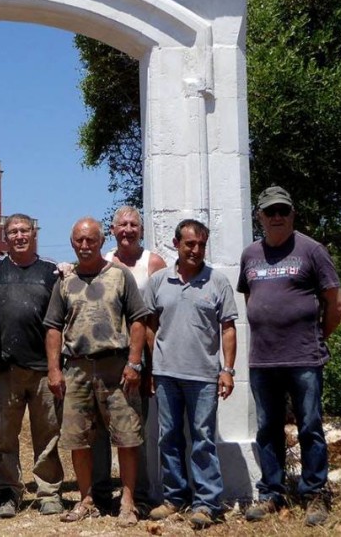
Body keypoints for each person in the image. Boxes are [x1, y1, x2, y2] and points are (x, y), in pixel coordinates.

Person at [238, 186, 341, 527]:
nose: (277, 217)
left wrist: (316, 338)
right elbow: (250, 301)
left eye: (283, 210)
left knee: (310, 426)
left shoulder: (312, 250)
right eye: (270, 212)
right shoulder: (250, 255)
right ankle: (272, 493)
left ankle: (314, 493)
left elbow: (337, 304)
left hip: (303, 358)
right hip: (263, 359)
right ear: (260, 217)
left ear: (293, 213)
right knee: (267, 429)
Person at [44, 217, 150, 528]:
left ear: (102, 242)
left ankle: (128, 502)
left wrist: (134, 363)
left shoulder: (119, 276)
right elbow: (52, 327)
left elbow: (138, 319)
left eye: (91, 240)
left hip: (116, 368)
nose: (85, 245)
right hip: (76, 368)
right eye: (79, 240)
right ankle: (86, 499)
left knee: (127, 436)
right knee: (78, 438)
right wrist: (54, 370)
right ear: (72, 243)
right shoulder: (64, 281)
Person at [145, 219, 237, 529]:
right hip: (166, 374)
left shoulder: (217, 282)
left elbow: (228, 328)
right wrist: (154, 361)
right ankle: (175, 498)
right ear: (176, 244)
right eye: (189, 244)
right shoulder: (158, 281)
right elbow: (148, 325)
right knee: (168, 438)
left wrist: (227, 370)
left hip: (204, 376)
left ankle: (207, 502)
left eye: (200, 245)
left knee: (203, 439)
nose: (195, 250)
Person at [0, 214, 64, 519]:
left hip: (44, 368)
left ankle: (49, 492)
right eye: (13, 232)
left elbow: (61, 320)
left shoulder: (51, 271)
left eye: (24, 231)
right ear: (5, 238)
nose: (19, 236)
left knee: (48, 435)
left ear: (34, 234)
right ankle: (6, 493)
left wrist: (57, 367)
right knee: (3, 437)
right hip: (5, 369)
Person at [97, 205, 167, 516]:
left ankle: (142, 493)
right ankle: (102, 492)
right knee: (106, 427)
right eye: (121, 225)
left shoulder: (153, 262)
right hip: (110, 357)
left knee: (139, 428)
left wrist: (148, 363)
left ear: (141, 230)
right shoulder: (106, 263)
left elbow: (160, 314)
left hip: (145, 356)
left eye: (133, 225)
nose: (127, 230)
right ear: (112, 230)